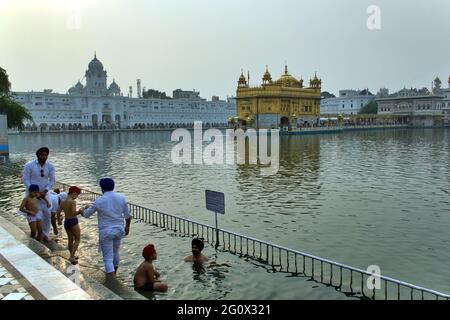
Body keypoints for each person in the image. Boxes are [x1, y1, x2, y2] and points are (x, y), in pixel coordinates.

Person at [79, 178, 131, 276]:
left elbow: (86, 215)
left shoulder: (100, 200)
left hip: (106, 231)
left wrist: (82, 210)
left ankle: (112, 280)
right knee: (116, 252)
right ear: (113, 187)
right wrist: (127, 227)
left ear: (102, 188)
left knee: (107, 257)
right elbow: (127, 216)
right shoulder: (121, 198)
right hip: (119, 230)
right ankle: (114, 273)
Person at [22, 147, 56, 241]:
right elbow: (25, 179)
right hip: (32, 193)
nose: (44, 157)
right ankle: (36, 232)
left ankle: (45, 234)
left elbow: (52, 180)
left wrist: (45, 190)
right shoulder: (29, 165)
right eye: (42, 155)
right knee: (34, 213)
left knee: (47, 213)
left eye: (46, 155)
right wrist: (33, 191)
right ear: (38, 155)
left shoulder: (50, 166)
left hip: (45, 193)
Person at [57, 186, 82, 264]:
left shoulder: (63, 201)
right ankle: (71, 257)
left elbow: (58, 212)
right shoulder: (72, 202)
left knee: (70, 240)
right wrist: (81, 211)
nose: (77, 197)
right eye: (77, 195)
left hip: (66, 222)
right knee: (77, 239)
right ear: (74, 193)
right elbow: (74, 213)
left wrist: (58, 221)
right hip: (73, 221)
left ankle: (72, 255)